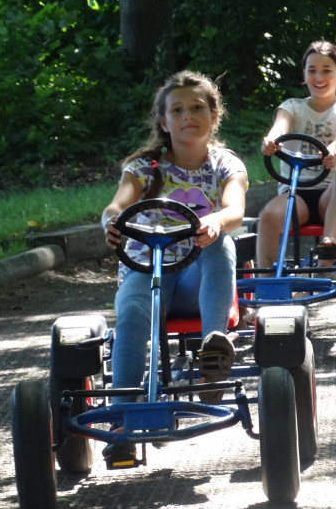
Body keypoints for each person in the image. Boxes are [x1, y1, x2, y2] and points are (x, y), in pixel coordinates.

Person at [101, 71, 248, 462]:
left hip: (200, 271)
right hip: (148, 268)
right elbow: (118, 204)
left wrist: (216, 221)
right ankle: (122, 418)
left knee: (222, 243)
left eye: (198, 107)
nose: (188, 116)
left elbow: (235, 209)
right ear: (164, 122)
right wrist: (111, 221)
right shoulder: (146, 167)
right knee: (131, 313)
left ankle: (213, 352)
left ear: (214, 116)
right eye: (178, 110)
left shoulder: (224, 164)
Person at [256, 40, 336, 269]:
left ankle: (329, 243)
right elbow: (280, 127)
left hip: (334, 194)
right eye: (312, 71)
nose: (319, 78)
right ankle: (266, 282)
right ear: (304, 75)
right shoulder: (293, 106)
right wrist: (270, 141)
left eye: (326, 71)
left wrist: (334, 148)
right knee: (267, 217)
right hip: (297, 195)